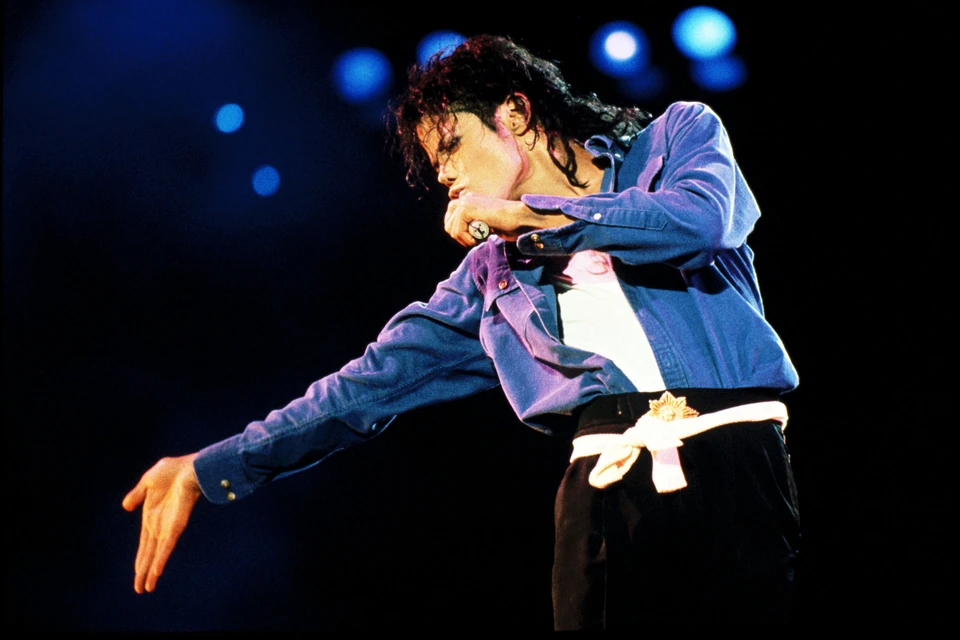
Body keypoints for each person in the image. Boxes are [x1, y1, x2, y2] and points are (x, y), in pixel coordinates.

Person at [123, 34, 801, 628]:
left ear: (516, 116)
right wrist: (212, 466)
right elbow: (364, 388)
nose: (444, 172)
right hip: (606, 490)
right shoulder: (487, 277)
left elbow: (699, 222)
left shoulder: (677, 137)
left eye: (451, 146)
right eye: (433, 161)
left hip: (739, 463)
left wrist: (528, 217)